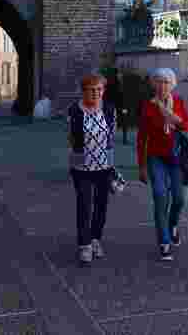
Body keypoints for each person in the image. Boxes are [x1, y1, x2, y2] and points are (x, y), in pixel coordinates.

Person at [137, 67, 188, 262]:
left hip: (176, 158)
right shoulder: (148, 106)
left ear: (172, 85)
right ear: (154, 84)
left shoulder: (178, 102)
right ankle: (164, 241)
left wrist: (172, 116)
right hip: (156, 158)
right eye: (159, 82)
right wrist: (142, 166)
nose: (162, 86)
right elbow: (141, 138)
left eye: (166, 82)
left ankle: (173, 225)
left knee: (179, 199)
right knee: (160, 195)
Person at [68, 73, 116, 266]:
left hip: (104, 166)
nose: (96, 93)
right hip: (82, 167)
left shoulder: (109, 109)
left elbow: (111, 138)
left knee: (101, 205)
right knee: (84, 205)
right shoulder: (74, 110)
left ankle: (96, 239)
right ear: (84, 92)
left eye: (99, 89)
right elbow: (70, 137)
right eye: (91, 90)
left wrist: (111, 166)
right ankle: (84, 245)